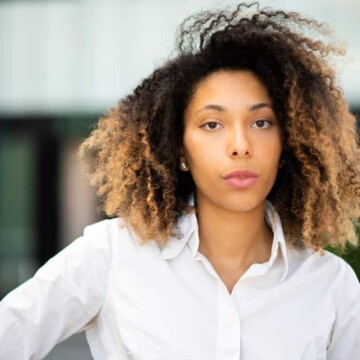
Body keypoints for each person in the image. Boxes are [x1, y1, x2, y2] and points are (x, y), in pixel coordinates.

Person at [1, 2, 359, 359]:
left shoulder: (330, 283)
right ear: (180, 150)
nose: (240, 146)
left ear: (288, 142)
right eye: (212, 124)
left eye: (261, 122)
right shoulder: (112, 255)